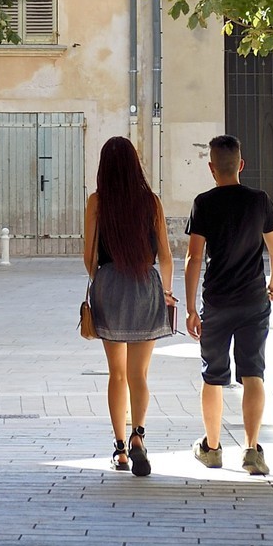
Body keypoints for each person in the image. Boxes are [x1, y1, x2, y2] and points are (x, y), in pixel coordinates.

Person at [183, 132, 273, 476]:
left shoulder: (203, 203)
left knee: (213, 376)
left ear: (212, 168)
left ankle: (211, 448)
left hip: (217, 302)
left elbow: (194, 258)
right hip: (253, 301)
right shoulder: (259, 201)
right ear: (241, 165)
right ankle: (252, 451)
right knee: (253, 373)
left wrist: (191, 308)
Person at [82, 135, 176, 477]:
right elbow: (166, 256)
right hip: (145, 285)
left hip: (110, 286)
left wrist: (102, 281)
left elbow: (88, 257)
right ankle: (139, 436)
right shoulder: (151, 202)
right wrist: (166, 291)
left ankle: (120, 449)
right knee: (139, 374)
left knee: (117, 373)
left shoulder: (97, 202)